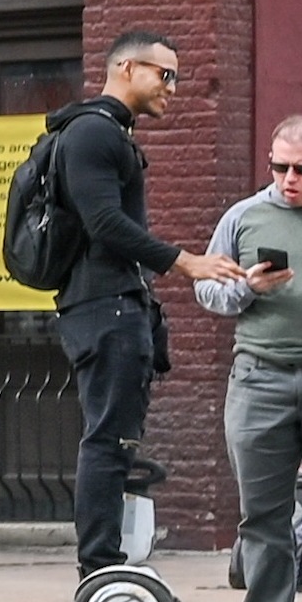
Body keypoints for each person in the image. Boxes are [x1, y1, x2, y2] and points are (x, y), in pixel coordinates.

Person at [42, 34, 250, 574]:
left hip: (114, 306)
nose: (173, 89)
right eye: (165, 75)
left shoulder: (107, 132)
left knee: (116, 439)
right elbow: (105, 225)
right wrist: (187, 262)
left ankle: (110, 562)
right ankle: (100, 567)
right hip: (103, 308)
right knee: (107, 439)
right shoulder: (91, 132)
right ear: (127, 68)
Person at [197, 126, 302, 602]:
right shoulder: (242, 217)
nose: (290, 180)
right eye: (280, 167)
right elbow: (207, 289)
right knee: (263, 509)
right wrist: (248, 287)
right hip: (260, 375)